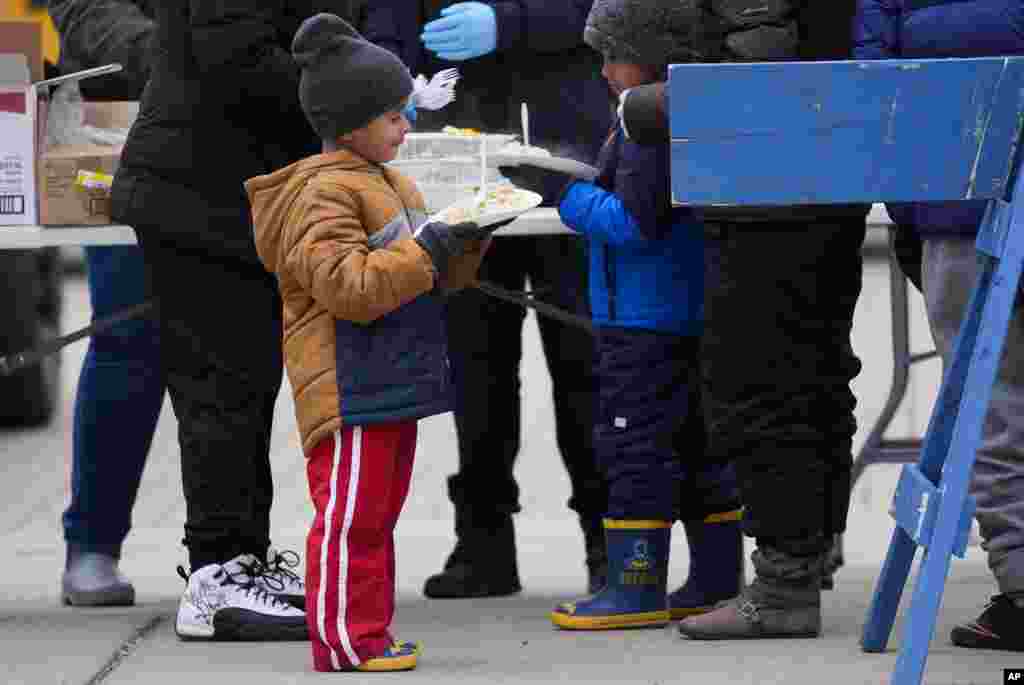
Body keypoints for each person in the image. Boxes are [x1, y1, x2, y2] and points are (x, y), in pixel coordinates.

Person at [247, 13, 498, 670]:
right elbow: (347, 286)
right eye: (394, 117)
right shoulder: (323, 190)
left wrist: (466, 242)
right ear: (349, 123)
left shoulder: (393, 182)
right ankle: (342, 641)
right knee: (350, 517)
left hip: (391, 378)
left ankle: (371, 631)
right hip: (349, 381)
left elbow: (427, 275)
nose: (406, 127)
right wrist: (430, 249)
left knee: (377, 517)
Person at [108, 2, 350, 641]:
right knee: (220, 390)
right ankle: (218, 576)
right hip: (194, 194)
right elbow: (235, 54)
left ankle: (242, 559)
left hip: (226, 196)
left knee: (242, 387)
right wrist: (345, 98)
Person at [644, 1, 869, 640]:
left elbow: (756, 82)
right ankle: (807, 553)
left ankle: (784, 582)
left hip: (767, 185)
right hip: (834, 167)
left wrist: (647, 106)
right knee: (817, 370)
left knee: (759, 378)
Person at [392, 0, 613, 600]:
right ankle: (483, 540)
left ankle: (608, 537)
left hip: (568, 152)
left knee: (584, 361)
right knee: (475, 363)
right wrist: (391, 75)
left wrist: (512, 24)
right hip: (457, 157)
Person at [536, 0, 742, 630]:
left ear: (650, 55)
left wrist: (563, 194)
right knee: (701, 446)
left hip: (640, 323)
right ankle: (715, 580)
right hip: (689, 313)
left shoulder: (645, 123)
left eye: (612, 55)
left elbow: (633, 223)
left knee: (633, 449)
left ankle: (633, 588)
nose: (603, 71)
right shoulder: (693, 110)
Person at [854, 0, 1024, 652]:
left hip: (952, 214)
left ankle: (1020, 583)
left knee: (991, 411)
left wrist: (911, 210)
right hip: (963, 209)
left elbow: (873, 98)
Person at [47, 0, 161, 608]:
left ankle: (228, 554)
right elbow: (81, 8)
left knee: (244, 345)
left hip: (245, 116)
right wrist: (171, 52)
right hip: (119, 122)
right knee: (127, 339)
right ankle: (92, 543)